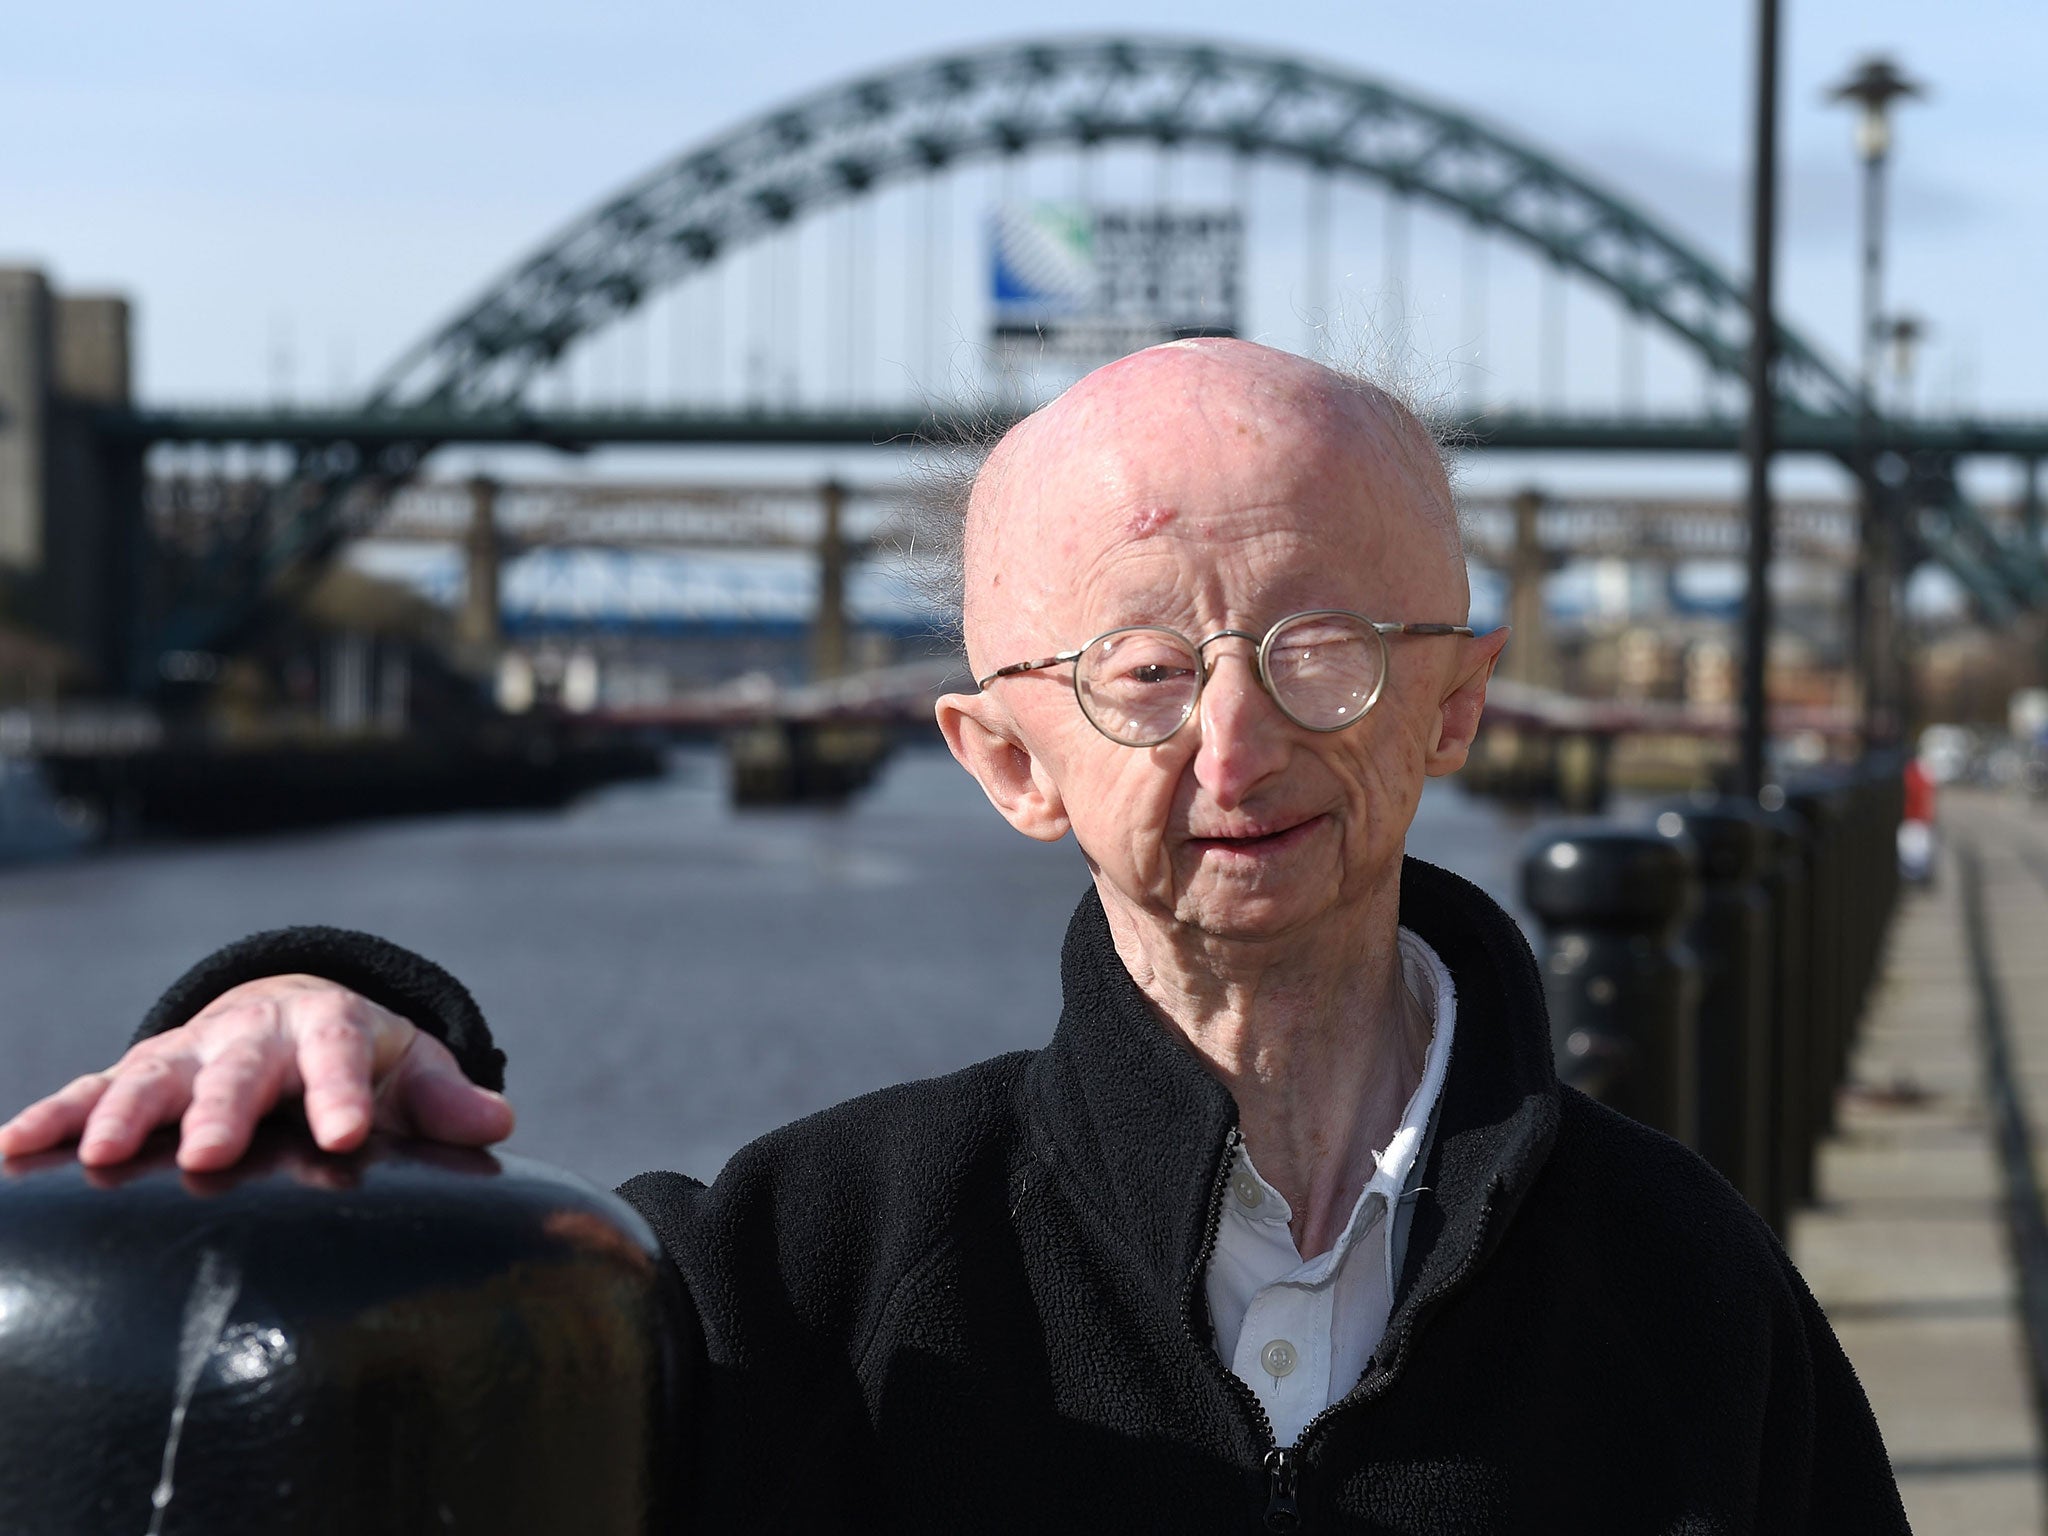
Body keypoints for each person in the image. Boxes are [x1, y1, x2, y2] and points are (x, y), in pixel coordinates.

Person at [1, 340, 1906, 1531]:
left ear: (1457, 708)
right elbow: (463, 1323)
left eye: (1324, 649)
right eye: (1140, 670)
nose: (1237, 744)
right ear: (1009, 759)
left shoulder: (1690, 1292)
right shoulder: (812, 1273)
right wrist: (305, 1005)